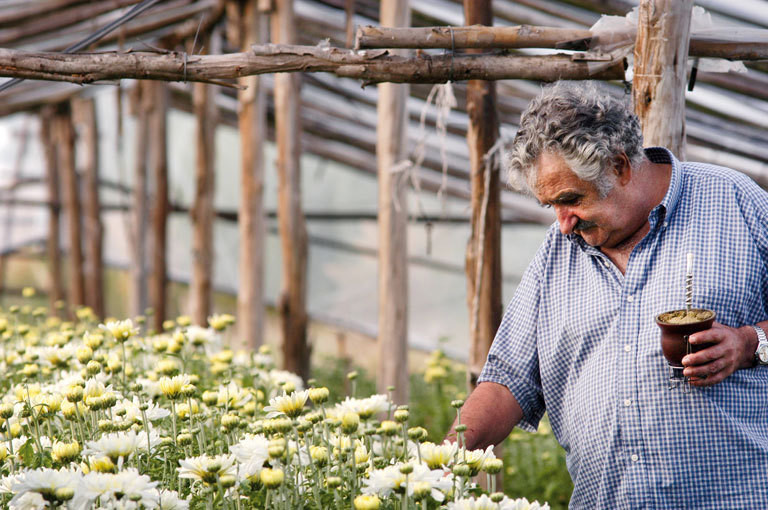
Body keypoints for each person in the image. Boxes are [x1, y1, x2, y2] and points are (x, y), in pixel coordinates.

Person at [452, 81, 768, 508]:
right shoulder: (556, 252)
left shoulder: (734, 203)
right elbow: (507, 383)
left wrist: (748, 343)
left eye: (571, 200)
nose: (563, 223)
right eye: (552, 207)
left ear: (619, 166)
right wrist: (435, 462)